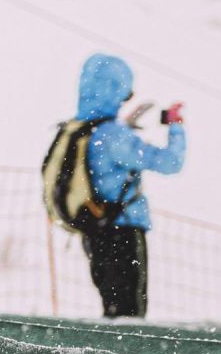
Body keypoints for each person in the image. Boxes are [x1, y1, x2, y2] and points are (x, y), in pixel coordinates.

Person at [46, 53, 185, 319]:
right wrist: (175, 126)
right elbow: (170, 162)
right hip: (122, 231)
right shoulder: (112, 135)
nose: (124, 100)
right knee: (129, 315)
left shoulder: (78, 130)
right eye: (124, 93)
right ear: (114, 89)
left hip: (93, 231)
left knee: (112, 308)